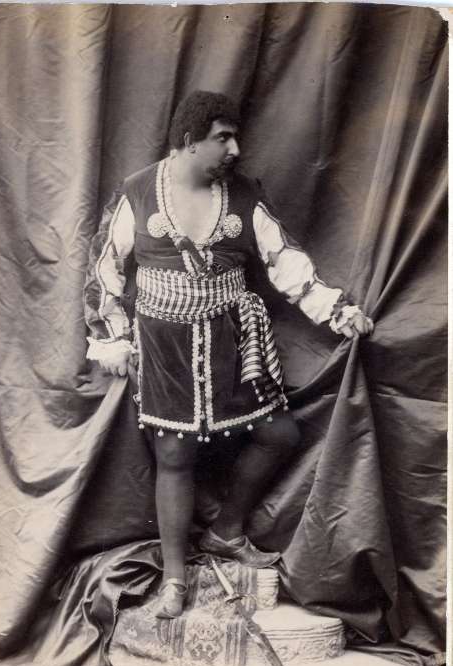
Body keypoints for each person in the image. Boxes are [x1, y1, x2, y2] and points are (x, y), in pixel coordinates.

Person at [84, 91, 373, 619]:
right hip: (165, 345)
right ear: (189, 141)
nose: (235, 149)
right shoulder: (138, 192)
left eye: (235, 137)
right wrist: (113, 337)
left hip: (234, 340)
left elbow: (285, 260)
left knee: (279, 434)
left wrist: (338, 312)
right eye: (223, 138)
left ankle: (226, 529)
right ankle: (174, 578)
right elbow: (105, 270)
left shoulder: (244, 194)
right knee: (174, 454)